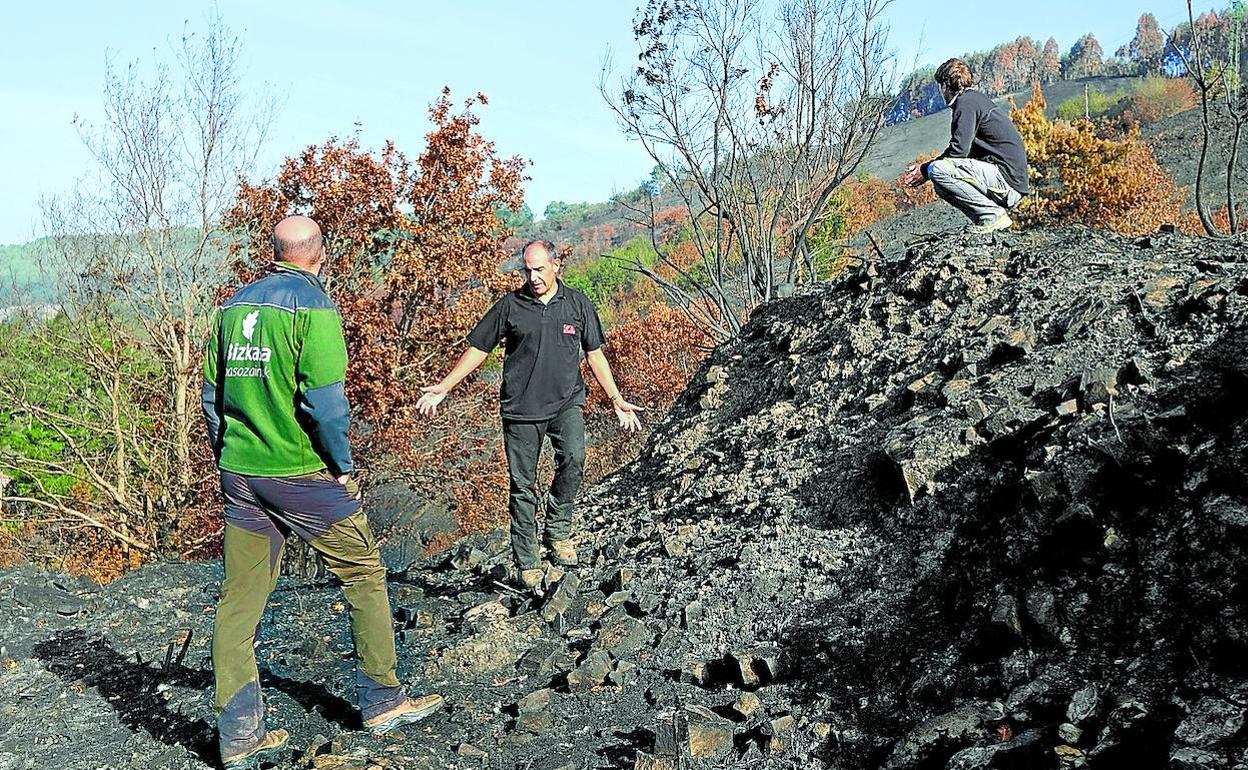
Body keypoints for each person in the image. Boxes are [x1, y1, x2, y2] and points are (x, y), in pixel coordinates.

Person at [201, 216, 443, 769]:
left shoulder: (234, 306)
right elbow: (327, 404)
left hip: (242, 474)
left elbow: (213, 396)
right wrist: (342, 465)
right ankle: (383, 699)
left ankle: (239, 739)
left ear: (277, 252)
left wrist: (231, 453)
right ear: (319, 254)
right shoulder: (314, 308)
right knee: (362, 570)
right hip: (301, 474)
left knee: (240, 600)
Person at [416, 239, 643, 589]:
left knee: (574, 458)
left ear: (556, 266)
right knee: (523, 486)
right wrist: (445, 386)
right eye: (527, 269)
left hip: (567, 402)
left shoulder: (578, 304)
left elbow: (594, 354)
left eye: (539, 268)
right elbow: (479, 348)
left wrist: (615, 398)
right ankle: (527, 560)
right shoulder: (511, 306)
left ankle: (558, 531)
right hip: (521, 410)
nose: (533, 276)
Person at [899, 57, 1030, 234]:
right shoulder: (974, 101)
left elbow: (958, 151)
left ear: (945, 85)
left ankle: (992, 216)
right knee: (939, 180)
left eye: (940, 87)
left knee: (938, 170)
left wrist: (925, 169)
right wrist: (925, 170)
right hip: (1011, 181)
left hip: (1006, 180)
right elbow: (963, 151)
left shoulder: (966, 103)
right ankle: (986, 222)